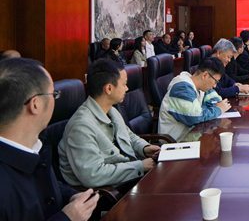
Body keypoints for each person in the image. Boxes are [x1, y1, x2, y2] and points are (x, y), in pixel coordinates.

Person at [0, 58, 99, 220]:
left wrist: (71, 196)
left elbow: (42, 185)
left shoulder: (34, 145)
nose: (55, 99)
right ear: (36, 104)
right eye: (54, 94)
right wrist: (67, 218)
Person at [59, 59, 159, 188]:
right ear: (109, 88)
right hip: (110, 191)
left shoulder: (111, 110)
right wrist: (140, 166)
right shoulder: (81, 127)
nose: (127, 88)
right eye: (124, 84)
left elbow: (129, 136)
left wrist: (145, 148)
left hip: (128, 177)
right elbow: (94, 175)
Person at [158, 58, 231, 141]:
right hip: (176, 142)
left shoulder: (201, 86)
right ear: (205, 75)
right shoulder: (182, 88)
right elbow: (195, 117)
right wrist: (218, 110)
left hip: (192, 136)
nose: (215, 86)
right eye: (215, 81)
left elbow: (216, 100)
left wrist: (208, 109)